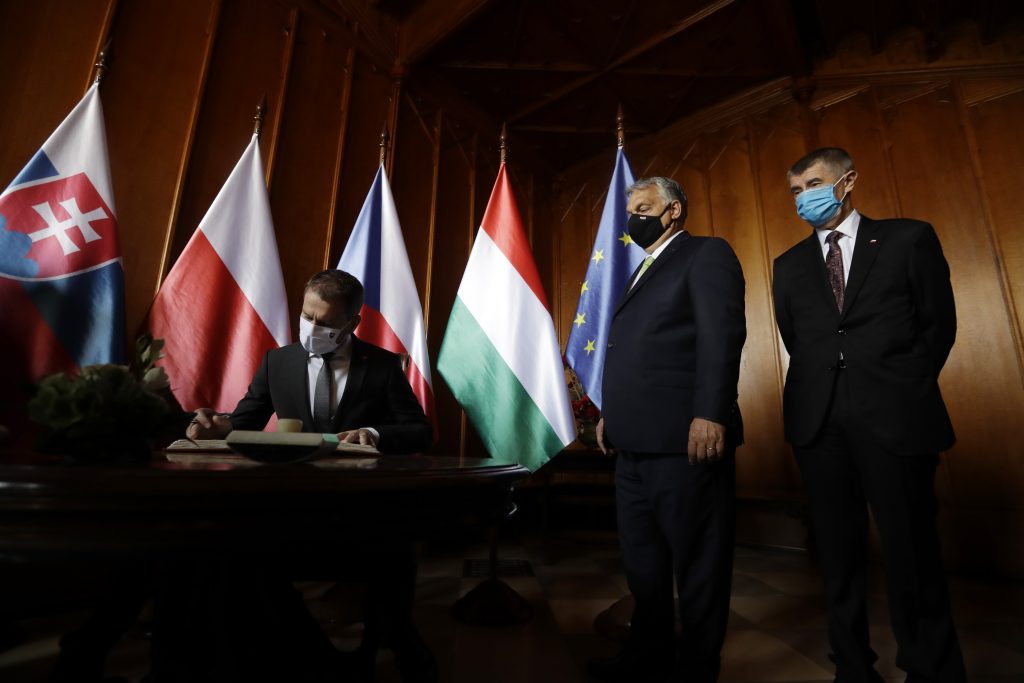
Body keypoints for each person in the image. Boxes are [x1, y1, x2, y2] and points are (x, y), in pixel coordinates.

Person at [183, 269, 435, 683]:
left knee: (395, 555)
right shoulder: (277, 361)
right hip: (289, 505)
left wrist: (374, 434)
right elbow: (243, 423)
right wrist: (217, 427)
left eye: (325, 321)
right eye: (307, 316)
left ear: (352, 323)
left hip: (362, 510)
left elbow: (420, 431)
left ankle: (392, 643)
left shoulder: (383, 365)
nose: (312, 328)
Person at [773, 148, 966, 683]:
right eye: (795, 190)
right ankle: (852, 668)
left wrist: (902, 384)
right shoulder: (788, 265)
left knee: (912, 552)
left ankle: (931, 669)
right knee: (836, 555)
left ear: (848, 181)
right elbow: (797, 338)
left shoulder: (908, 238)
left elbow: (939, 324)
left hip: (895, 417)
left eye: (813, 184)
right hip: (819, 424)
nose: (804, 197)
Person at [591, 176, 746, 683]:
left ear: (673, 210)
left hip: (685, 442)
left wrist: (711, 414)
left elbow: (721, 337)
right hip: (632, 443)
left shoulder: (706, 254)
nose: (633, 217)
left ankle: (697, 670)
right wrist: (611, 414)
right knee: (644, 565)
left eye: (643, 207)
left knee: (699, 566)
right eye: (630, 209)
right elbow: (638, 352)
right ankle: (647, 658)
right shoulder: (643, 269)